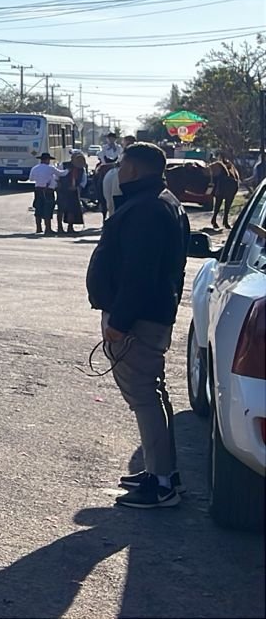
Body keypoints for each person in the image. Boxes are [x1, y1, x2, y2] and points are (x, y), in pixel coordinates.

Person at [86, 142, 189, 509]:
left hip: (138, 320)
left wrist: (121, 320)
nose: (118, 171)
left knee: (145, 397)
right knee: (152, 395)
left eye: (122, 165)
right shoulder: (160, 200)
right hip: (149, 315)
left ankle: (161, 484)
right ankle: (160, 471)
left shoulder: (148, 207)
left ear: (132, 170)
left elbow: (139, 274)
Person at [28, 151, 63, 235]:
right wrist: (68, 170)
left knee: (38, 208)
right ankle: (48, 229)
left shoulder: (35, 168)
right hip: (48, 191)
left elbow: (31, 179)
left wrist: (40, 179)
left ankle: (39, 228)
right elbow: (61, 173)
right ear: (47, 160)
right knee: (48, 208)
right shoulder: (51, 168)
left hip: (38, 190)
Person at [206, 150, 241, 230]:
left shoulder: (229, 168)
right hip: (226, 186)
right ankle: (222, 221)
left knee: (220, 201)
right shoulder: (227, 169)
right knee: (224, 202)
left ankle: (218, 220)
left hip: (223, 186)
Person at [58, 151, 89, 234]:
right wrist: (59, 185)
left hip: (74, 191)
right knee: (61, 208)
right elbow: (57, 175)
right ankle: (59, 228)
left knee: (71, 209)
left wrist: (78, 187)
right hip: (63, 190)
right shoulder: (63, 165)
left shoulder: (81, 169)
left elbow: (83, 180)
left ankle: (70, 227)